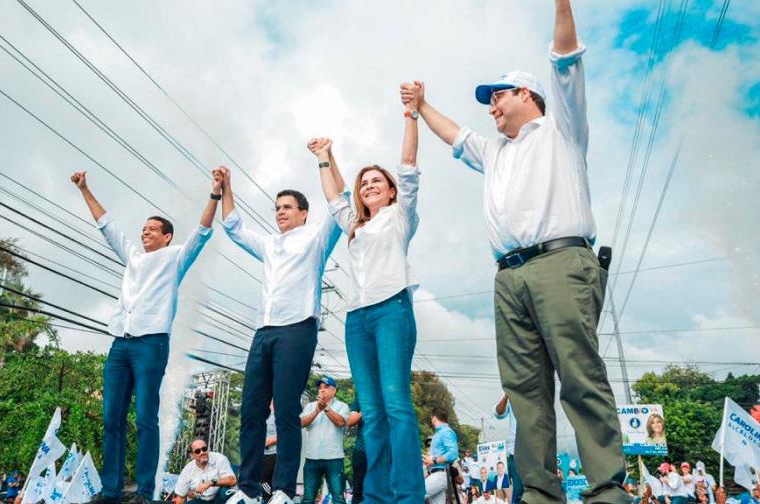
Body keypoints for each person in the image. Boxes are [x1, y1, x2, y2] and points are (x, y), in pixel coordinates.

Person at [401, 1, 628, 502]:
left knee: (579, 376)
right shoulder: (496, 151)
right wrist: (420, 106)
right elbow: (454, 136)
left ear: (527, 94)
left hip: (561, 264)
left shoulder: (562, 129)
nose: (491, 107)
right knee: (526, 391)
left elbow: (567, 58)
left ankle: (607, 489)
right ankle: (540, 493)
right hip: (509, 277)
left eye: (498, 96)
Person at [71, 171, 219, 504]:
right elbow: (107, 226)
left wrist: (214, 194)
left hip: (151, 344)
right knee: (111, 418)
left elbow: (203, 232)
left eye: (152, 229)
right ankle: (110, 490)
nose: (145, 232)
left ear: (167, 237)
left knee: (145, 418)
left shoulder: (176, 257)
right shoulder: (134, 259)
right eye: (143, 229)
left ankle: (144, 491)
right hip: (120, 344)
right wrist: (85, 189)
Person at [310, 78, 423, 504]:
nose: (369, 186)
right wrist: (326, 157)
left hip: (392, 310)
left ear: (391, 190)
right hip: (357, 320)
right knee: (371, 413)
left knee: (396, 406)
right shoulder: (355, 226)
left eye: (377, 181)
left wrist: (411, 114)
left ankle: (408, 494)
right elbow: (335, 198)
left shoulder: (400, 216)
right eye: (364, 183)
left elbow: (409, 163)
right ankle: (375, 495)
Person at [217, 163, 342, 504]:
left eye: (287, 207)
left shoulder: (317, 237)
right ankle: (248, 488)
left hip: (297, 328)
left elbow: (339, 202)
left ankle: (285, 489)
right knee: (252, 410)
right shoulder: (270, 243)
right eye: (277, 208)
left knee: (286, 409)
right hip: (264, 330)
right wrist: (227, 186)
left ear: (304, 212)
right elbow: (232, 226)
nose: (280, 212)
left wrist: (324, 160)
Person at [300, 377, 350, 504]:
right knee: (308, 498)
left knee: (338, 498)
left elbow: (340, 422)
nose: (321, 390)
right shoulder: (310, 406)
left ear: (334, 391)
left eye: (326, 388)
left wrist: (326, 408)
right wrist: (317, 410)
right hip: (312, 458)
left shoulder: (342, 406)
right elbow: (301, 423)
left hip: (334, 458)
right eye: (320, 388)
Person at [173, 439, 237, 504]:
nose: (202, 452)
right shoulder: (187, 470)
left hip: (221, 498)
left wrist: (210, 483)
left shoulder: (220, 458)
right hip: (203, 501)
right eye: (197, 451)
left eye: (204, 449)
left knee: (225, 491)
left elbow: (232, 480)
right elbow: (180, 497)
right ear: (192, 455)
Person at [425, 408, 459, 504]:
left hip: (439, 475)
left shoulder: (446, 432)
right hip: (436, 474)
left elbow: (453, 453)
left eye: (431, 418)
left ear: (434, 418)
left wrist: (434, 460)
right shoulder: (438, 433)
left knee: (415, 494)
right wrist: (429, 459)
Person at [493, 395, 521, 504]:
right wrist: (507, 395)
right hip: (515, 451)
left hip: (535, 449)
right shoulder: (511, 393)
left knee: (536, 489)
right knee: (519, 490)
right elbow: (498, 413)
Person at [347, 393, 367, 504]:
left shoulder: (391, 392)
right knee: (358, 493)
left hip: (384, 453)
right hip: (362, 451)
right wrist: (366, 408)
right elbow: (350, 421)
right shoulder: (361, 394)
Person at [261, 401, 278, 501]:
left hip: (275, 454)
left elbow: (286, 432)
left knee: (272, 483)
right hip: (263, 455)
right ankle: (267, 499)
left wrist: (266, 442)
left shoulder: (278, 416)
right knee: (264, 481)